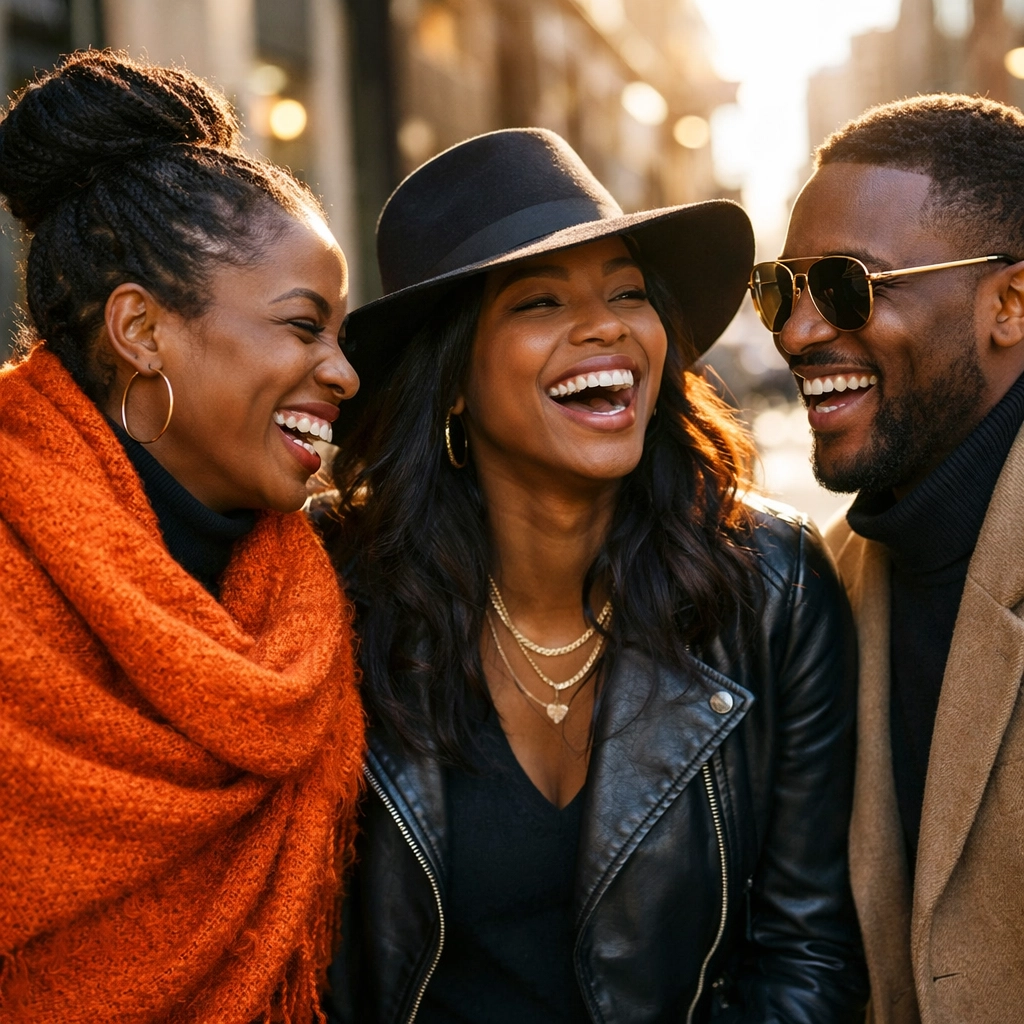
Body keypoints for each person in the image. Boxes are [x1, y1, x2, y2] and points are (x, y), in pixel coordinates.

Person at [323, 128, 867, 1024]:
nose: (607, 326)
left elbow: (806, 951)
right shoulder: (334, 588)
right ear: (452, 377)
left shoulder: (774, 584)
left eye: (628, 293)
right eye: (539, 302)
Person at [0, 52, 365, 1023]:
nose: (343, 372)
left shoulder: (323, 591)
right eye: (304, 327)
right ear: (141, 330)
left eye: (340, 336)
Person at [750, 94, 1024, 1024]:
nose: (796, 333)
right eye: (779, 290)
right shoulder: (824, 582)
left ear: (1009, 304)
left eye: (847, 286)